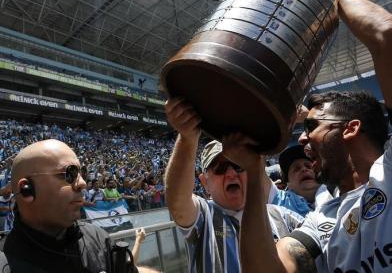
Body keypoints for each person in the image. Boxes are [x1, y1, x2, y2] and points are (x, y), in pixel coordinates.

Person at [223, 0, 392, 272]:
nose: (301, 140)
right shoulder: (323, 218)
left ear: (350, 128)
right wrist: (254, 173)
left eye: (312, 125)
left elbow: (386, 34)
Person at [164, 102, 304, 272]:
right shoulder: (204, 215)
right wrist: (188, 138)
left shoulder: (281, 216)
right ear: (205, 182)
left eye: (238, 164)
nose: (231, 173)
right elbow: (177, 202)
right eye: (220, 168)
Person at [1, 139, 138, 272]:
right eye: (69, 173)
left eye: (81, 174)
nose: (83, 183)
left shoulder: (99, 238)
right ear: (27, 190)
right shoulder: (4, 262)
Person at [269, 144, 332, 216]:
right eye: (296, 169)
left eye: (309, 166)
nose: (304, 169)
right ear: (288, 182)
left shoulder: (338, 192)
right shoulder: (280, 201)